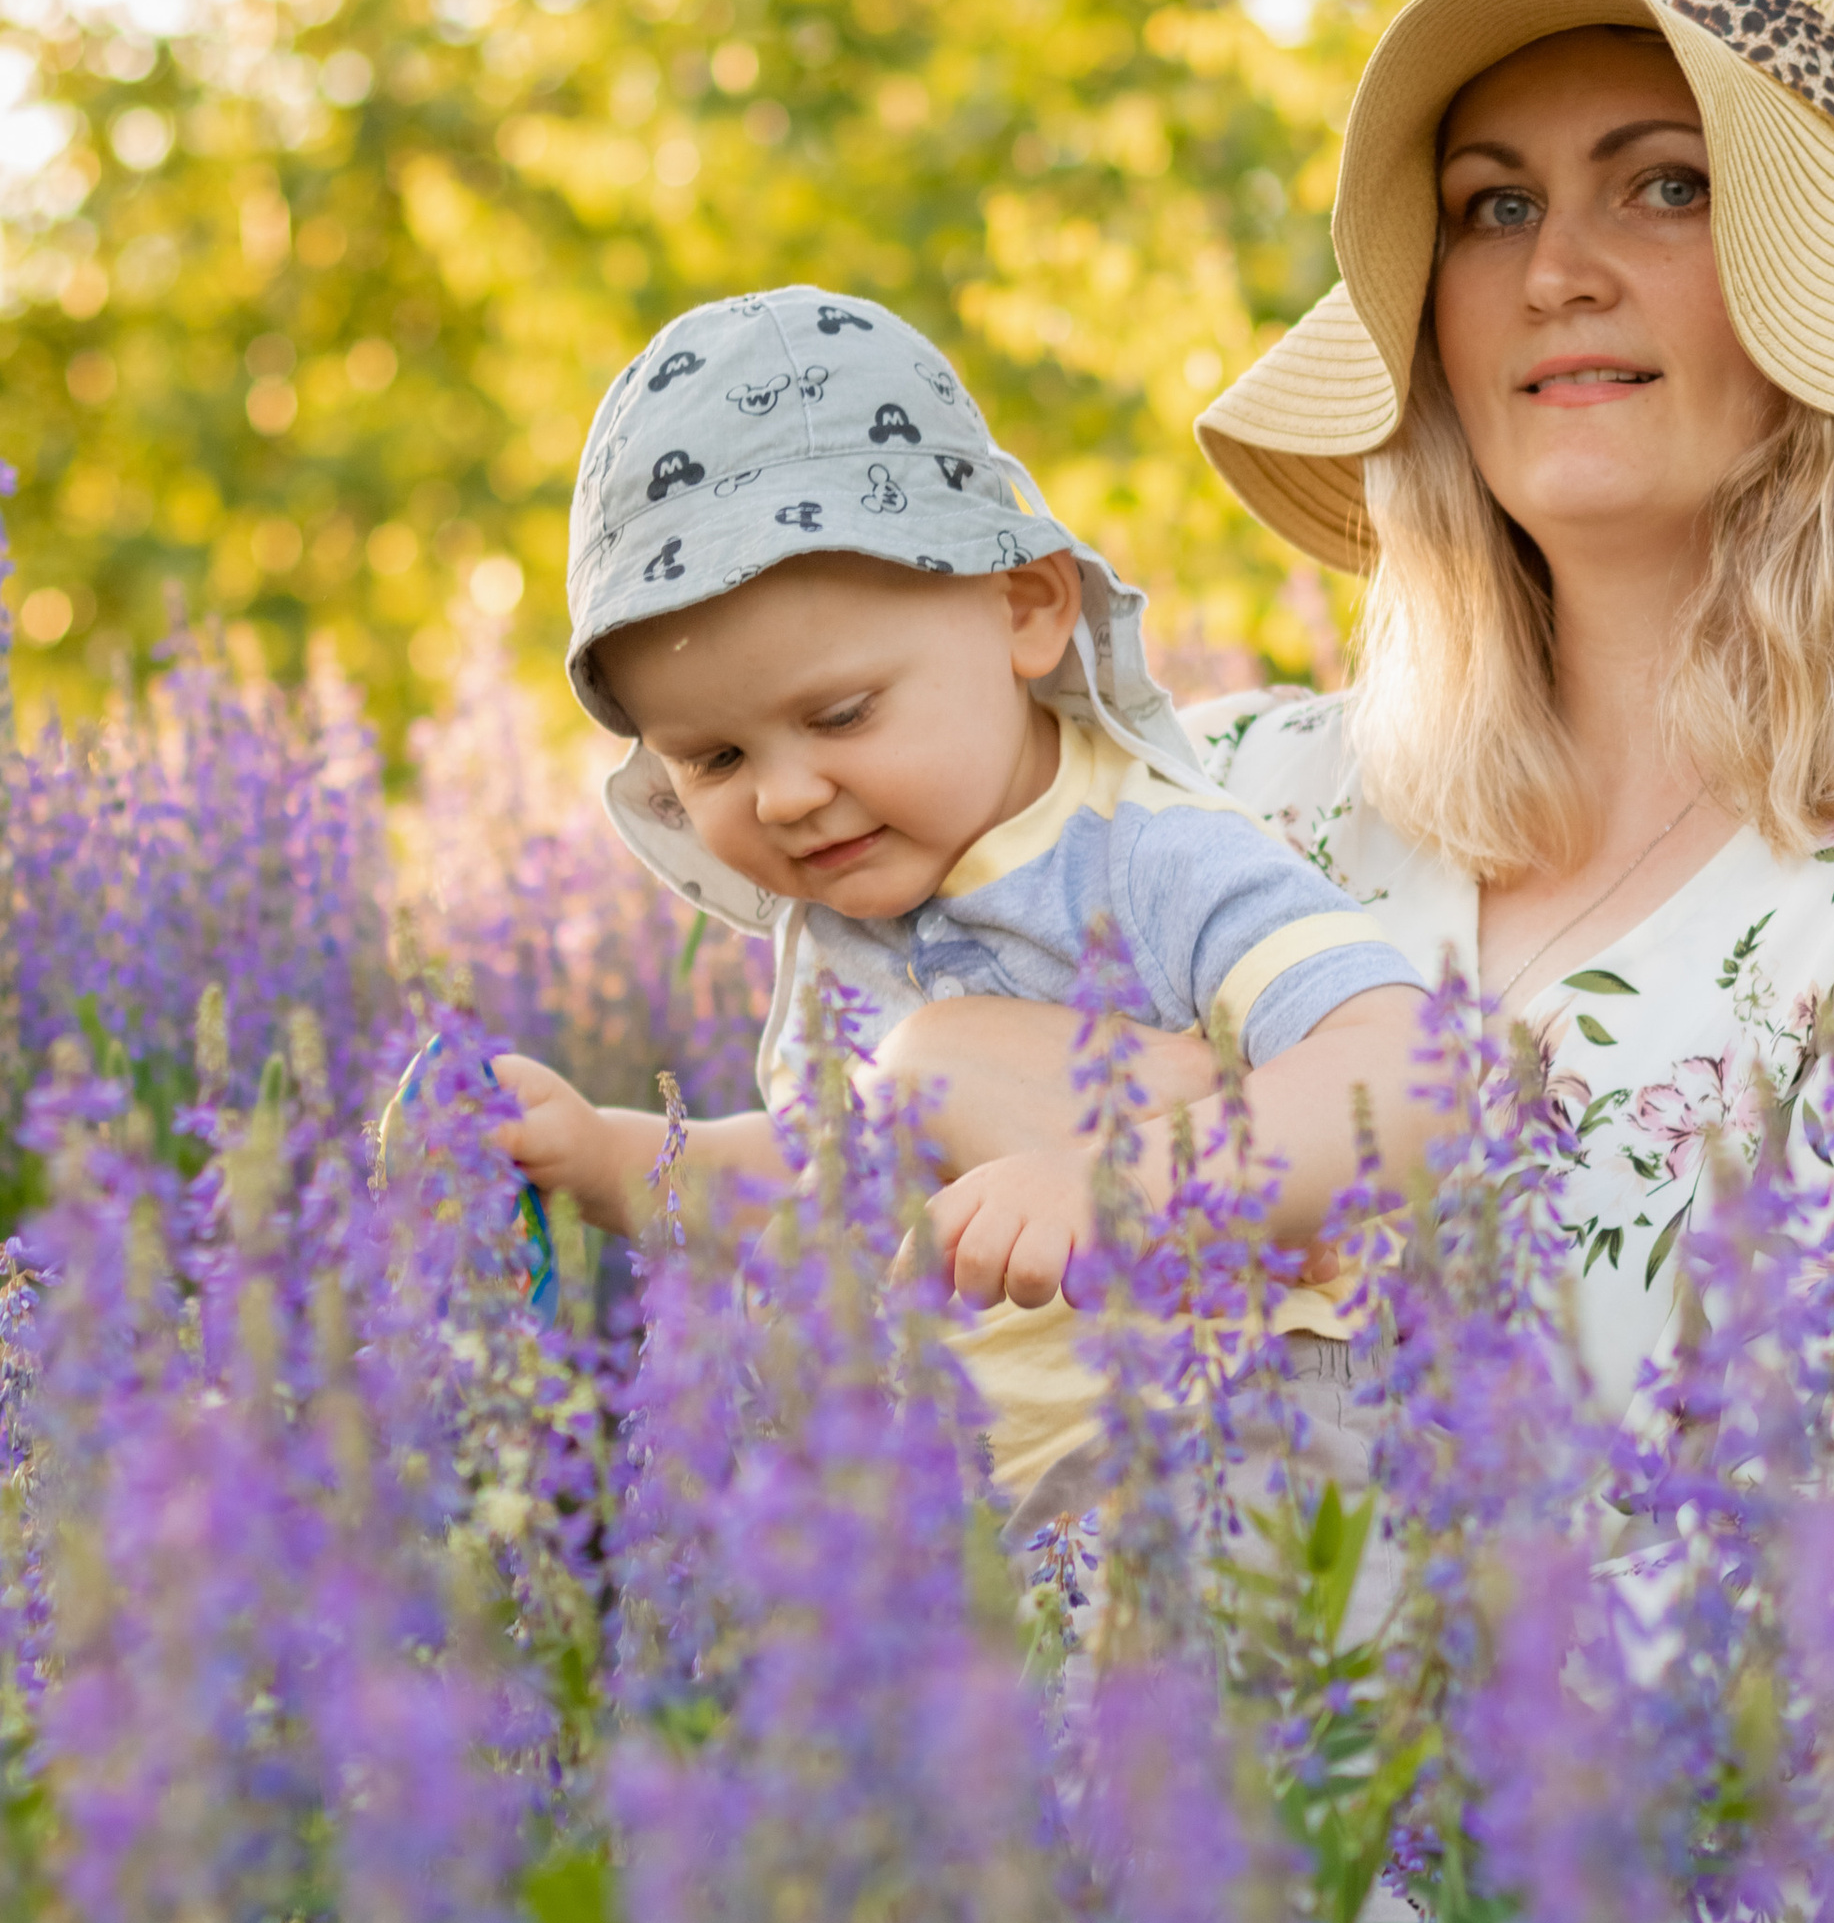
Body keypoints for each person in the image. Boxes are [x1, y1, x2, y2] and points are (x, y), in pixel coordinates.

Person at [889, 0, 1834, 1923]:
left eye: (1667, 188)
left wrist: (1241, 1196)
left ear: (1832, 296)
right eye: (1489, 206)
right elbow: (868, 1156)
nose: (1555, 270)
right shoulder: (1254, 806)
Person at [492, 287, 1428, 1503]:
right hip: (992, 1511)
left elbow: (1408, 1069)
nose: (783, 797)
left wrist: (1115, 1181)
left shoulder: (1144, 854)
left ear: (1024, 611)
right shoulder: (844, 935)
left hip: (1241, 1435)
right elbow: (817, 1179)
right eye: (714, 760)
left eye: (840, 715)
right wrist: (605, 1157)